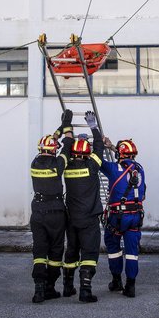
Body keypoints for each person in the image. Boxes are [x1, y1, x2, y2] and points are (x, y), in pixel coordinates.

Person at [28, 110, 74, 303]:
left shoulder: (35, 162)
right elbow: (68, 144)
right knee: (56, 251)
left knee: (39, 250)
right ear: (54, 150)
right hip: (56, 212)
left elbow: (53, 141)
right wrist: (67, 125)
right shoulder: (58, 163)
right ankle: (50, 287)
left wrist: (59, 126)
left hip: (37, 212)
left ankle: (38, 289)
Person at [62, 110, 104, 303]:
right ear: (87, 154)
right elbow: (99, 148)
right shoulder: (92, 167)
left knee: (71, 251)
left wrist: (66, 123)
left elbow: (68, 144)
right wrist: (93, 127)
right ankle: (85, 291)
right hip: (89, 219)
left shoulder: (66, 167)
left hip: (71, 219)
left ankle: (67, 287)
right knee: (89, 253)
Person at [100, 137, 146, 298]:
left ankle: (116, 280)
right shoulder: (140, 170)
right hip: (135, 216)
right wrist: (112, 147)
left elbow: (97, 160)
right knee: (132, 252)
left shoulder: (113, 168)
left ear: (119, 154)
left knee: (113, 248)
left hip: (118, 217)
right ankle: (130, 286)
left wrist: (101, 144)